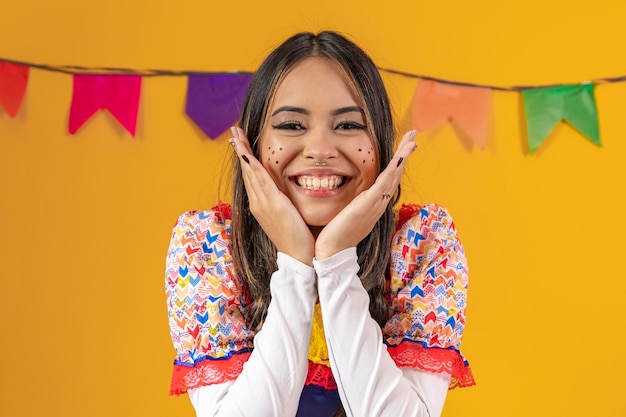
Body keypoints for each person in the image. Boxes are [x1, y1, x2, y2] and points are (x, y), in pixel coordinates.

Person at [165, 30, 474, 417]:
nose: (320, 150)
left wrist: (336, 262)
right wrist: (295, 265)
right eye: (292, 126)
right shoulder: (207, 248)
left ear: (380, 144)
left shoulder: (423, 246)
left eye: (347, 126)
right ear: (254, 143)